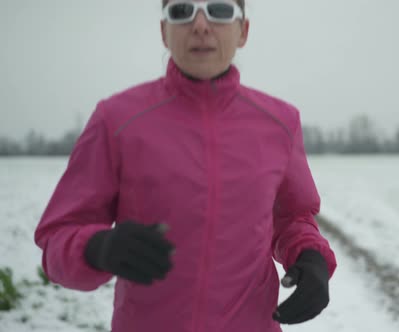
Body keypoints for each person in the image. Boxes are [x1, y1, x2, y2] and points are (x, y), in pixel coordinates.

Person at [33, 0, 337, 331]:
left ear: (243, 31)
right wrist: (95, 248)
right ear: (164, 32)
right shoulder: (116, 120)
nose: (201, 25)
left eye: (220, 11)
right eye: (182, 11)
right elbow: (57, 239)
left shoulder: (280, 123)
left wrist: (311, 256)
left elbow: (293, 218)